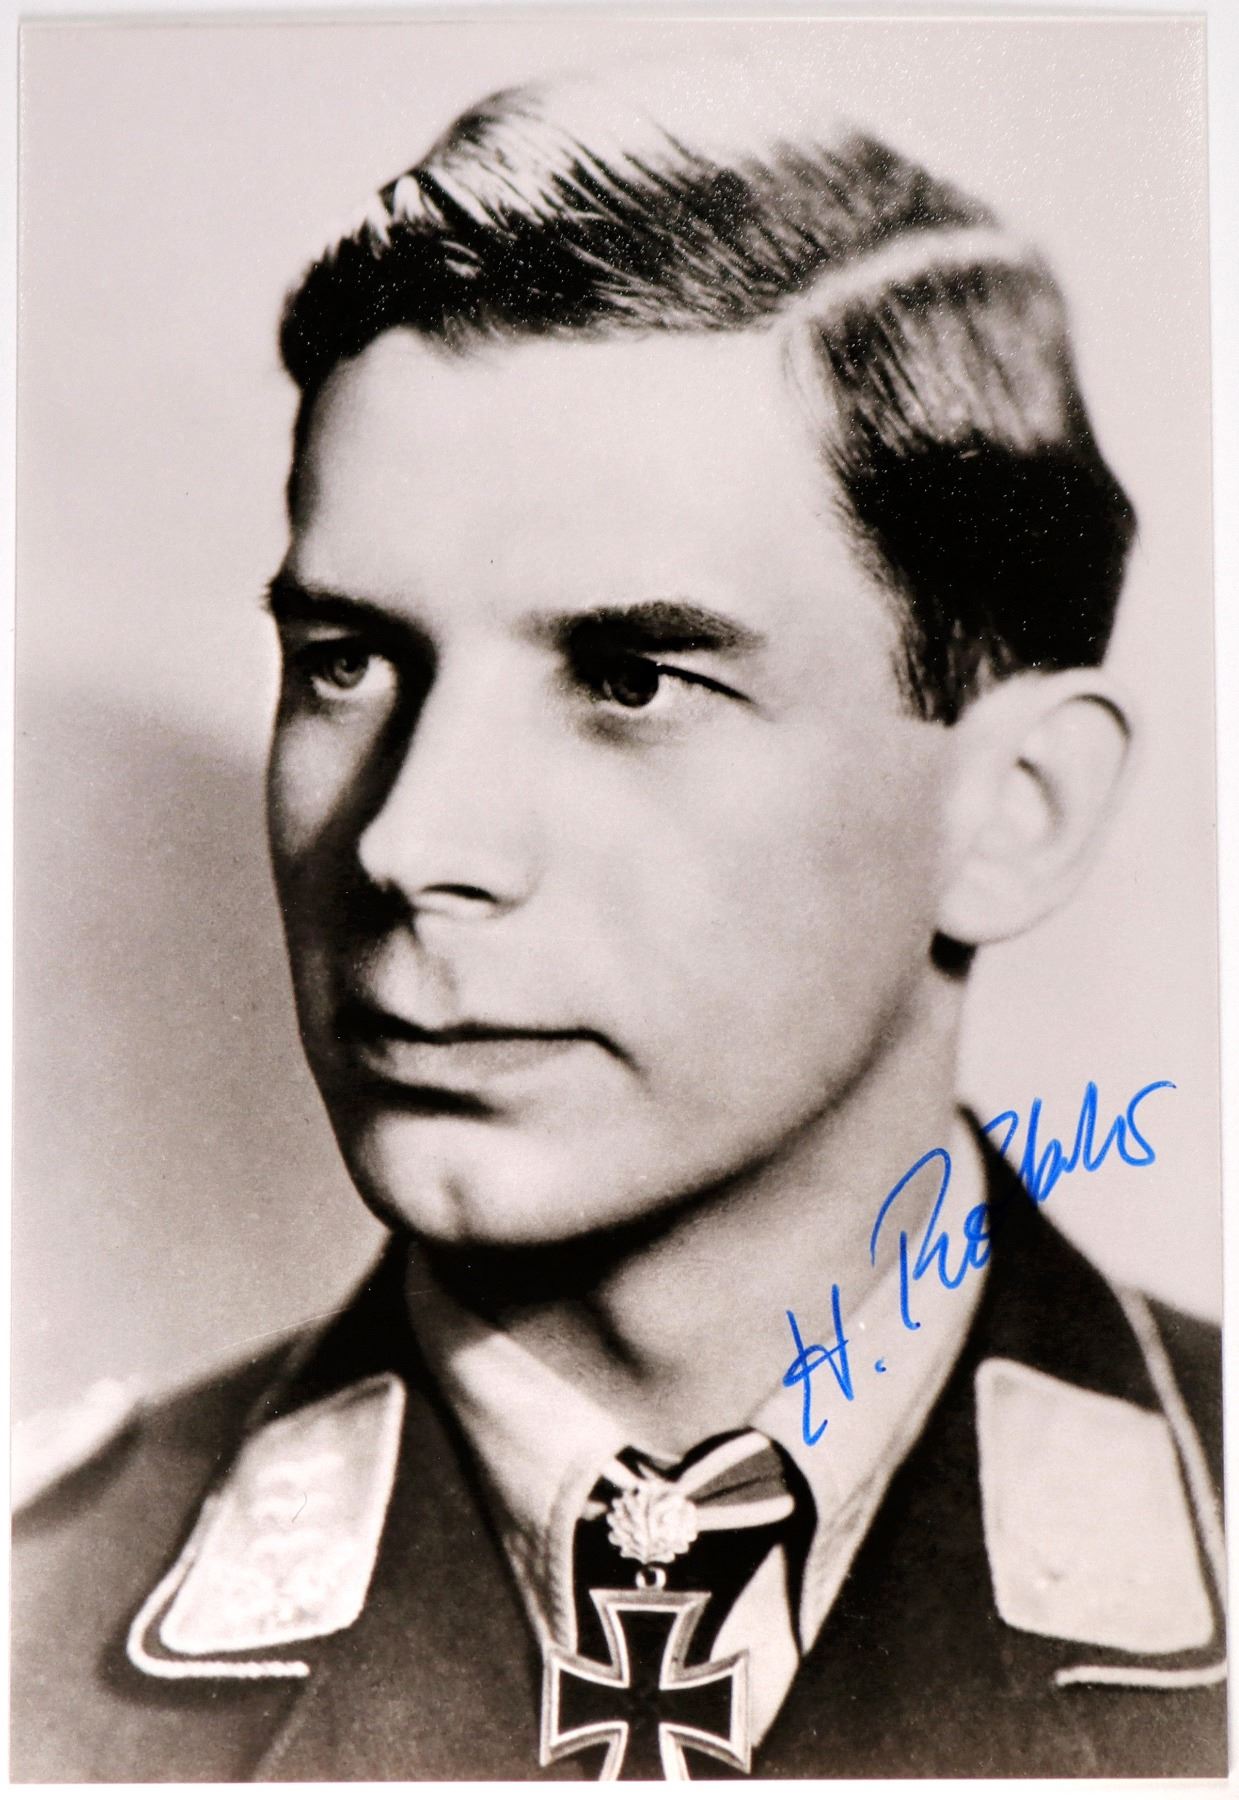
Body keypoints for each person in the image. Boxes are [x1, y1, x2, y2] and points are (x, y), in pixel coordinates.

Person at [11, 61, 1225, 1782]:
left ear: (1014, 811)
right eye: (346, 662)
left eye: (630, 677)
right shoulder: (33, 1633)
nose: (409, 845)